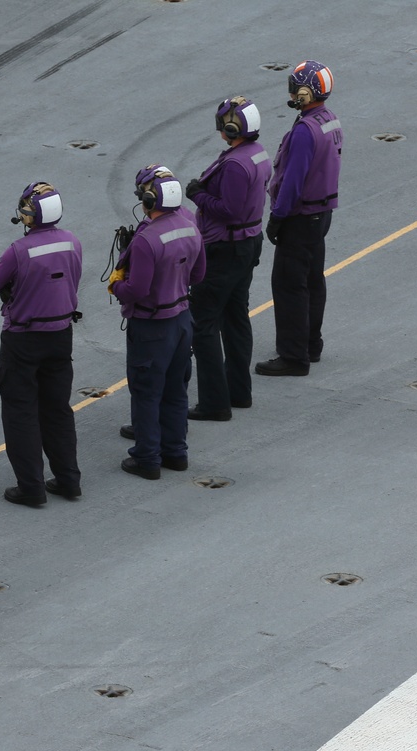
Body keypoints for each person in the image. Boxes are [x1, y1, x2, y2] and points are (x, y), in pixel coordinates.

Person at [0, 181, 83, 507]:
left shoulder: (18, 250)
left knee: (20, 412)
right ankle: (69, 480)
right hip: (60, 335)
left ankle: (31, 487)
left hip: (23, 339)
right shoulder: (72, 243)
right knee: (57, 410)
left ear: (31, 216)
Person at [109, 165, 206, 480]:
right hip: (181, 320)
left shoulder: (146, 239)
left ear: (150, 201)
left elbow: (136, 290)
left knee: (146, 392)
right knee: (176, 390)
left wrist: (116, 285)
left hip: (152, 327)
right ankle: (176, 453)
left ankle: (147, 458)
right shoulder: (191, 226)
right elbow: (199, 274)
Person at [185, 96, 273, 420]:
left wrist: (198, 194)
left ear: (232, 127)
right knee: (235, 318)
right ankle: (239, 391)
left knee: (203, 323)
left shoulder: (235, 164)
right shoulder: (256, 153)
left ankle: (214, 403)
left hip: (225, 250)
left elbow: (229, 210)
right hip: (247, 245)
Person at [256, 60, 342, 377]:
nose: (292, 91)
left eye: (295, 86)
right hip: (322, 214)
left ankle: (293, 356)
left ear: (306, 92)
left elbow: (292, 180)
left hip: (300, 216)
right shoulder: (329, 120)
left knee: (289, 284)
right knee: (312, 280)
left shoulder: (305, 131)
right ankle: (310, 343)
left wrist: (277, 217)